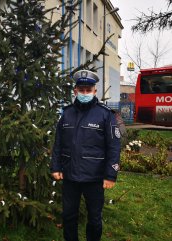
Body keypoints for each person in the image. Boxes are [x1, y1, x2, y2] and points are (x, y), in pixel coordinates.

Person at [51, 69, 121, 241]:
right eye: (81, 90)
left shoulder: (105, 115)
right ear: (75, 91)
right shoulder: (67, 113)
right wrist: (56, 167)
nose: (84, 93)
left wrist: (110, 175)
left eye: (88, 90)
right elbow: (58, 143)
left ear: (94, 91)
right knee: (68, 216)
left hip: (95, 178)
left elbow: (114, 147)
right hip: (70, 176)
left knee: (95, 219)